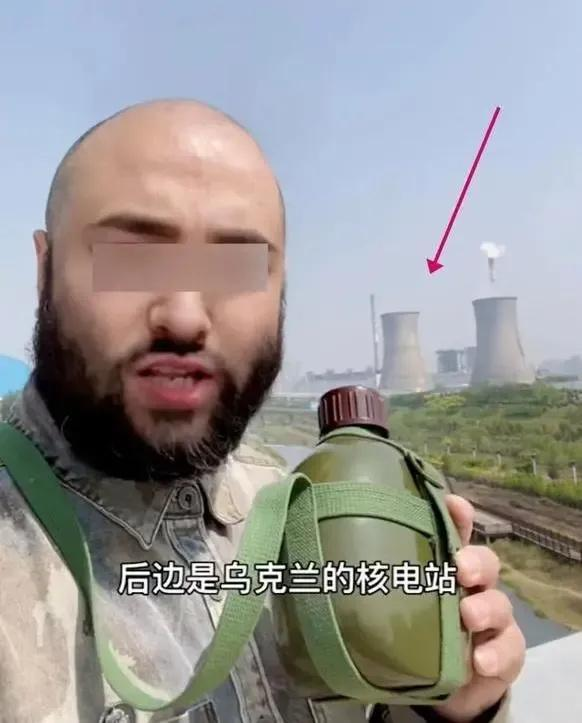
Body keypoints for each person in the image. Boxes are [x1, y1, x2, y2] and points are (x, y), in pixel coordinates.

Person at [0, 99, 524, 723]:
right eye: (132, 257)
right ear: (45, 268)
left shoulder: (293, 506)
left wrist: (445, 707)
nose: (185, 317)